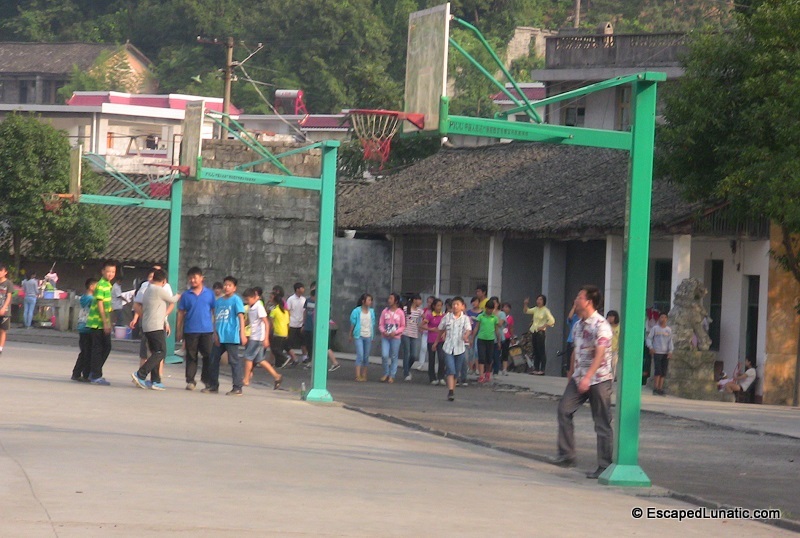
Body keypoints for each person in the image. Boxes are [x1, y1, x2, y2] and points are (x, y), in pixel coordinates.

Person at [554, 285, 614, 479]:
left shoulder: (601, 325)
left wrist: (588, 377)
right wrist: (571, 374)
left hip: (599, 380)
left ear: (588, 301)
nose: (575, 299)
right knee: (564, 410)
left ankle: (604, 466)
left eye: (579, 297)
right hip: (579, 377)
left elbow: (600, 353)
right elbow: (575, 350)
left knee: (602, 422)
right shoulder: (578, 325)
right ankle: (567, 454)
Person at [131, 269, 181, 391]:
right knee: (161, 352)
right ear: (164, 281)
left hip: (148, 326)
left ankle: (155, 380)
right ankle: (140, 374)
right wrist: (179, 295)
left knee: (155, 353)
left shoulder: (148, 289)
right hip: (155, 327)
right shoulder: (158, 290)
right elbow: (172, 300)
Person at [176, 266, 216, 391]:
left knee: (208, 356)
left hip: (206, 330)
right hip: (190, 330)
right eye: (190, 278)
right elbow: (181, 313)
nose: (192, 280)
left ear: (201, 278)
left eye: (195, 278)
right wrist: (179, 329)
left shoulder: (209, 294)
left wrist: (215, 329)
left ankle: (206, 380)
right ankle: (190, 380)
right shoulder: (186, 295)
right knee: (191, 356)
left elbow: (214, 311)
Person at [207, 276, 247, 396]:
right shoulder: (218, 302)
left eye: (229, 285)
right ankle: (213, 385)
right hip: (220, 335)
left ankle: (237, 387)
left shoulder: (236, 300)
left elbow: (241, 317)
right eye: (225, 285)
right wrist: (215, 334)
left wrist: (242, 334)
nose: (226, 287)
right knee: (213, 360)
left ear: (234, 288)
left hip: (231, 335)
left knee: (234, 361)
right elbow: (215, 318)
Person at [241, 288, 283, 390]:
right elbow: (251, 321)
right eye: (246, 299)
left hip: (257, 337)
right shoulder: (251, 307)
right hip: (254, 335)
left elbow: (266, 322)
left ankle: (246, 379)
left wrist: (266, 338)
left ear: (255, 297)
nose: (247, 301)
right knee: (260, 360)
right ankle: (277, 376)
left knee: (248, 357)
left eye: (249, 299)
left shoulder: (259, 307)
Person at [86, 260, 117, 385]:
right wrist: (105, 322)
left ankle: (93, 371)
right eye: (108, 271)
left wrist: (110, 321)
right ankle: (95, 375)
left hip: (104, 322)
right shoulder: (101, 285)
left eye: (113, 272)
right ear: (102, 271)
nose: (110, 274)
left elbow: (108, 305)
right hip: (97, 322)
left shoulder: (109, 285)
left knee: (105, 347)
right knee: (98, 349)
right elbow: (100, 304)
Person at [439, 296, 472, 401]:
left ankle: (453, 388)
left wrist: (466, 336)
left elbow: (468, 330)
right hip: (448, 347)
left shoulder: (465, 319)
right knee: (451, 370)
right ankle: (451, 391)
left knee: (456, 372)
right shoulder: (447, 317)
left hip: (460, 348)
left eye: (458, 304)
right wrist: (437, 341)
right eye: (453, 304)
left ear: (462, 306)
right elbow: (441, 329)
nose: (455, 306)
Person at [71, 278, 97, 382]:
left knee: (84, 352)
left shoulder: (83, 297)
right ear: (91, 287)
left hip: (82, 327)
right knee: (87, 352)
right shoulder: (91, 299)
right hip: (88, 327)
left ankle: (77, 373)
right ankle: (85, 374)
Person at [523, 294, 556, 375]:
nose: (538, 301)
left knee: (541, 350)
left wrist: (544, 326)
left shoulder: (545, 310)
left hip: (541, 332)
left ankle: (542, 369)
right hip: (534, 331)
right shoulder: (535, 309)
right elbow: (526, 311)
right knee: (535, 350)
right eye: (538, 299)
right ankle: (536, 368)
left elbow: (552, 320)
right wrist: (525, 304)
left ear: (543, 301)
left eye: (540, 299)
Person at [472, 299, 501, 384]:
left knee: (489, 358)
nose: (489, 311)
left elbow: (497, 330)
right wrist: (472, 338)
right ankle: (481, 375)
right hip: (481, 339)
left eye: (491, 309)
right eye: (488, 309)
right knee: (481, 357)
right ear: (485, 308)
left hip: (491, 340)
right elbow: (476, 328)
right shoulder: (481, 316)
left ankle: (487, 373)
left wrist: (499, 341)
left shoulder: (494, 318)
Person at [378, 292, 405, 383]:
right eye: (389, 298)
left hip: (395, 337)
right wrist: (383, 331)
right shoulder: (384, 311)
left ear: (396, 301)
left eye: (391, 299)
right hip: (385, 337)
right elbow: (381, 324)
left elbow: (403, 326)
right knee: (384, 355)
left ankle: (392, 375)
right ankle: (386, 373)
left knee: (394, 356)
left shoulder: (400, 312)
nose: (389, 300)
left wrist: (396, 332)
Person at [349, 293, 375, 382]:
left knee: (366, 356)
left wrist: (372, 335)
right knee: (360, 354)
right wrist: (350, 334)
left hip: (368, 335)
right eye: (368, 300)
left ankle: (364, 374)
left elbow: (373, 323)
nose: (370, 302)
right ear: (363, 301)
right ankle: (357, 375)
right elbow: (353, 323)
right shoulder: (356, 311)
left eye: (371, 300)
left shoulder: (371, 312)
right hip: (359, 335)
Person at [646, 313, 674, 396]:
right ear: (659, 318)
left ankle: (660, 388)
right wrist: (651, 347)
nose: (663, 319)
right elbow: (649, 338)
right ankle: (655, 388)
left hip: (665, 352)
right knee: (657, 370)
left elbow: (670, 341)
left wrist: (670, 351)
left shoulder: (668, 330)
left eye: (665, 317)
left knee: (663, 371)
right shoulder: (655, 328)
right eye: (662, 317)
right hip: (657, 352)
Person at [421, 297, 445, 385]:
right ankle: (432, 377)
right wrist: (431, 329)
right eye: (438, 306)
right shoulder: (430, 315)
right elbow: (422, 325)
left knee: (442, 358)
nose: (439, 307)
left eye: (441, 306)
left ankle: (441, 376)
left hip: (441, 340)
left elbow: (446, 326)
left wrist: (444, 333)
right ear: (434, 306)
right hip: (431, 339)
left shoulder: (444, 315)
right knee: (432, 359)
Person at [400, 294, 424, 381]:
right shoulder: (406, 309)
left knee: (414, 355)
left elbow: (426, 319)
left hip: (414, 334)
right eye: (419, 300)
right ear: (414, 300)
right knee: (407, 353)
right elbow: (401, 318)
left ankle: (406, 368)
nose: (420, 302)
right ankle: (406, 373)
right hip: (405, 333)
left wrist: (421, 325)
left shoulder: (420, 311)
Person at [271, 292, 294, 369]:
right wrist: (287, 332)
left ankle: (285, 358)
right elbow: (288, 323)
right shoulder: (285, 311)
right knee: (279, 348)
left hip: (277, 331)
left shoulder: (274, 310)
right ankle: (278, 364)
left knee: (274, 348)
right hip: (284, 331)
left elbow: (271, 321)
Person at [286, 282, 307, 361]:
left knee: (303, 341)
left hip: (301, 324)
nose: (303, 289)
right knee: (289, 341)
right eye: (302, 288)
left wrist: (304, 323)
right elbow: (287, 311)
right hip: (292, 323)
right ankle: (290, 356)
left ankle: (304, 356)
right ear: (297, 289)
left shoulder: (304, 299)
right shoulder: (291, 299)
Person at [500, 302, 515, 375]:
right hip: (499, 336)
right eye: (504, 307)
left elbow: (511, 328)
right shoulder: (499, 316)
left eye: (507, 307)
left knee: (505, 353)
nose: (505, 309)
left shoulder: (510, 318)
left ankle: (504, 369)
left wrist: (512, 338)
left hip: (507, 337)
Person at [606, 310, 621, 377]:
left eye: (612, 316)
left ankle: (612, 379)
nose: (610, 318)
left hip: (615, 350)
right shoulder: (606, 327)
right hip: (606, 349)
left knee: (613, 366)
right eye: (609, 316)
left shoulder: (620, 327)